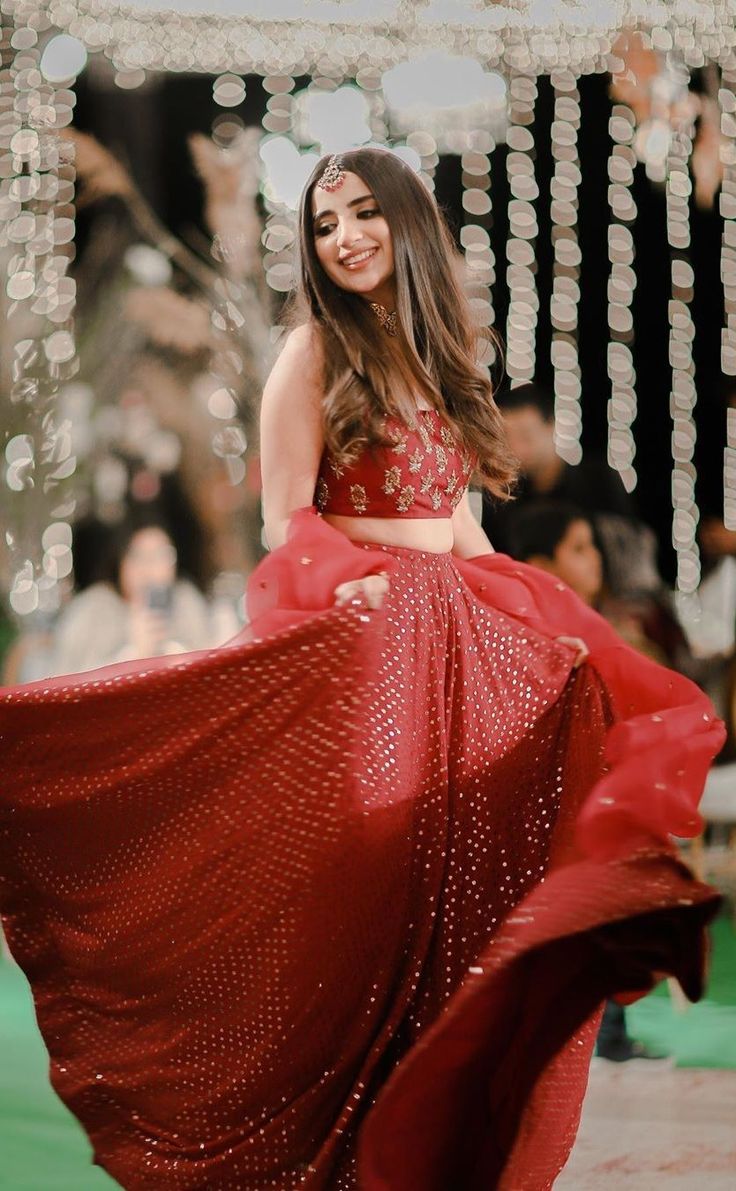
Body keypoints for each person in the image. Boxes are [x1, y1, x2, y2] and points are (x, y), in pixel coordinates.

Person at [0, 148, 724, 1191]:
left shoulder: (427, 357)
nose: (344, 236)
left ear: (408, 225)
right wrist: (341, 576)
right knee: (373, 901)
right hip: (371, 650)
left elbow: (463, 530)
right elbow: (281, 515)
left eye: (363, 213)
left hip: (462, 654)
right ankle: (330, 1158)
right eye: (326, 220)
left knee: (469, 896)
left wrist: (553, 624)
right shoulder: (309, 351)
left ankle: (429, 1157)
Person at [48, 517, 227, 677]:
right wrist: (134, 653)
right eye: (139, 556)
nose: (150, 568)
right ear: (120, 562)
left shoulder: (185, 600)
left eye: (162, 555)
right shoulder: (94, 608)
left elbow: (208, 663)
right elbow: (70, 681)